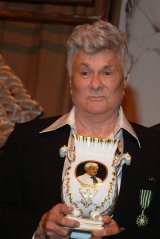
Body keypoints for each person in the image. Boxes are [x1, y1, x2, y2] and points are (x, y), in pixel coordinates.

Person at [0, 20, 160, 239]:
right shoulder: (26, 140)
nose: (95, 83)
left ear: (124, 82)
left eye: (107, 72)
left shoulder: (154, 149)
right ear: (70, 81)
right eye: (85, 73)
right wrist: (38, 226)